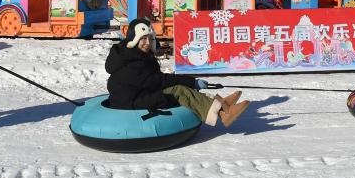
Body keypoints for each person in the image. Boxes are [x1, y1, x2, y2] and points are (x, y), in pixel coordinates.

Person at [106, 19, 250, 127]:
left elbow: (154, 80)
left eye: (150, 38)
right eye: (143, 38)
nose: (147, 43)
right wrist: (192, 82)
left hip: (140, 93)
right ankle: (223, 114)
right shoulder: (132, 63)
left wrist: (192, 83)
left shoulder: (134, 54)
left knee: (179, 88)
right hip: (131, 101)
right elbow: (159, 81)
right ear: (134, 39)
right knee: (178, 90)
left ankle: (222, 105)